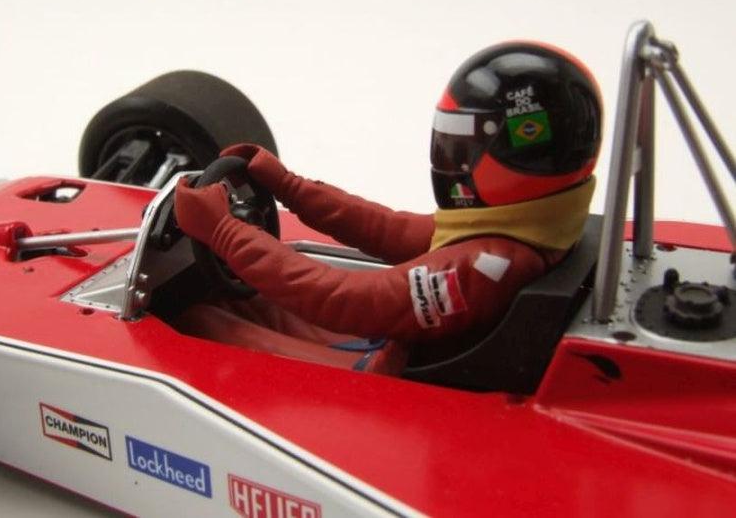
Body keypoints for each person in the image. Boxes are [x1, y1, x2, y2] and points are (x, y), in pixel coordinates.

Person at [173, 42, 602, 366]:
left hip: (391, 370)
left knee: (197, 322)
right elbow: (389, 229)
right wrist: (290, 187)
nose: (451, 156)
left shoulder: (484, 267)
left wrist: (224, 231)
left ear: (517, 156)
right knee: (247, 300)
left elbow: (348, 299)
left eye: (462, 144)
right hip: (404, 341)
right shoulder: (532, 226)